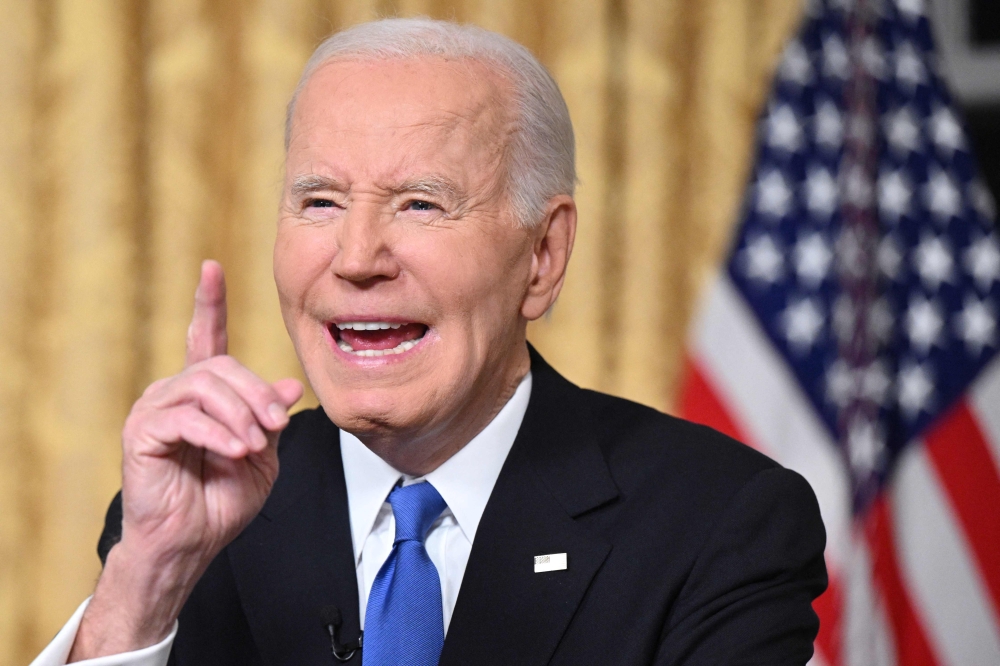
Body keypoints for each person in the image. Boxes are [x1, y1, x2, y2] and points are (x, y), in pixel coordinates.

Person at [32, 17, 827, 666]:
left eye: (419, 204)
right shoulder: (193, 523)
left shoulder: (718, 525)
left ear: (542, 255)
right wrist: (147, 579)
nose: (356, 258)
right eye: (320, 202)